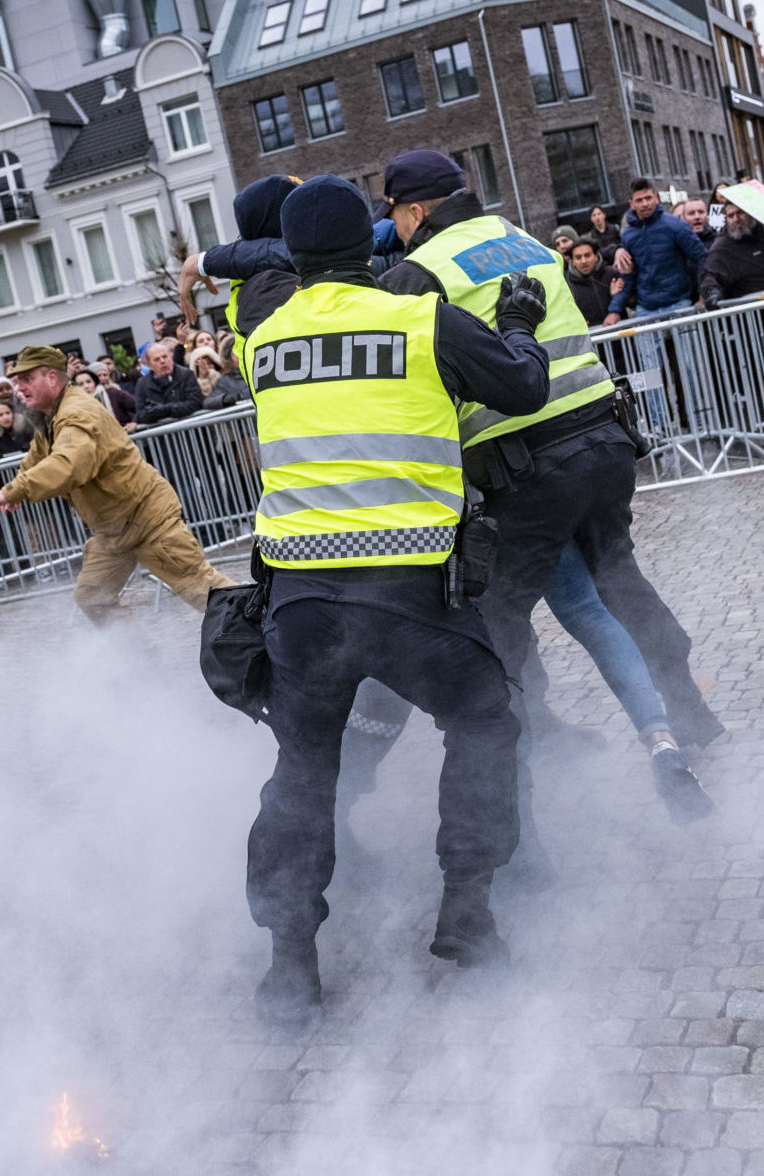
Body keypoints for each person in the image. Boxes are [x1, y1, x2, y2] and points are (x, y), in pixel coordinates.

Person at [227, 175, 554, 1027]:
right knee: (483, 721)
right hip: (412, 591)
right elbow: (523, 388)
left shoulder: (262, 339)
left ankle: (289, 968)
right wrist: (517, 320)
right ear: (372, 242)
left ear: (295, 256)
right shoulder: (419, 320)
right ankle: (469, 913)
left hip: (301, 601)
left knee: (304, 771)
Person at [379, 151, 725, 816]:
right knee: (615, 584)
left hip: (526, 462)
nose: (392, 227)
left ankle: (516, 777)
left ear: (414, 211)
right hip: (604, 438)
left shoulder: (418, 270)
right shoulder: (521, 238)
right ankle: (689, 717)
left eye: (394, 214)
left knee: (501, 620)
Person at [0, 346, 232, 620]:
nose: (19, 387)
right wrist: (16, 490)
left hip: (147, 520)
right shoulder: (51, 415)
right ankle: (138, 658)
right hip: (113, 530)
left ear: (52, 377)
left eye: (26, 379)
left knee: (204, 589)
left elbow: (68, 463)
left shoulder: (76, 413)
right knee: (93, 597)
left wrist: (11, 492)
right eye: (17, 381)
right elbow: (38, 457)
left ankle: (270, 638)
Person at [604, 178, 705, 325]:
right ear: (631, 203)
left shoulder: (676, 226)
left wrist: (703, 296)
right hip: (646, 308)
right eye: (639, 200)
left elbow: (702, 257)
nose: (645, 204)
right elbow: (628, 276)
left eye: (648, 198)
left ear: (656, 198)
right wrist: (614, 310)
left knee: (688, 349)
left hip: (679, 304)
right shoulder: (628, 235)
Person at [697, 202, 764, 304]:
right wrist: (712, 293)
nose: (736, 219)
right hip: (752, 310)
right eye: (730, 216)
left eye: (740, 213)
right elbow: (711, 275)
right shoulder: (723, 247)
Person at [131, 341, 204, 426]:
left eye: (165, 357)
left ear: (171, 357)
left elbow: (195, 403)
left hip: (189, 429)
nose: (162, 361)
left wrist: (163, 409)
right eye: (157, 359)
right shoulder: (142, 384)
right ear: (150, 365)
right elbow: (141, 415)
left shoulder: (186, 375)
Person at [563, 237, 621, 327]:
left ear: (596, 256)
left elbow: (632, 301)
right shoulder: (567, 285)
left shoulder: (612, 274)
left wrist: (617, 295)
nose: (584, 261)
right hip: (592, 339)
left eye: (587, 255)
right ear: (573, 261)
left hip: (621, 335)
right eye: (578, 257)